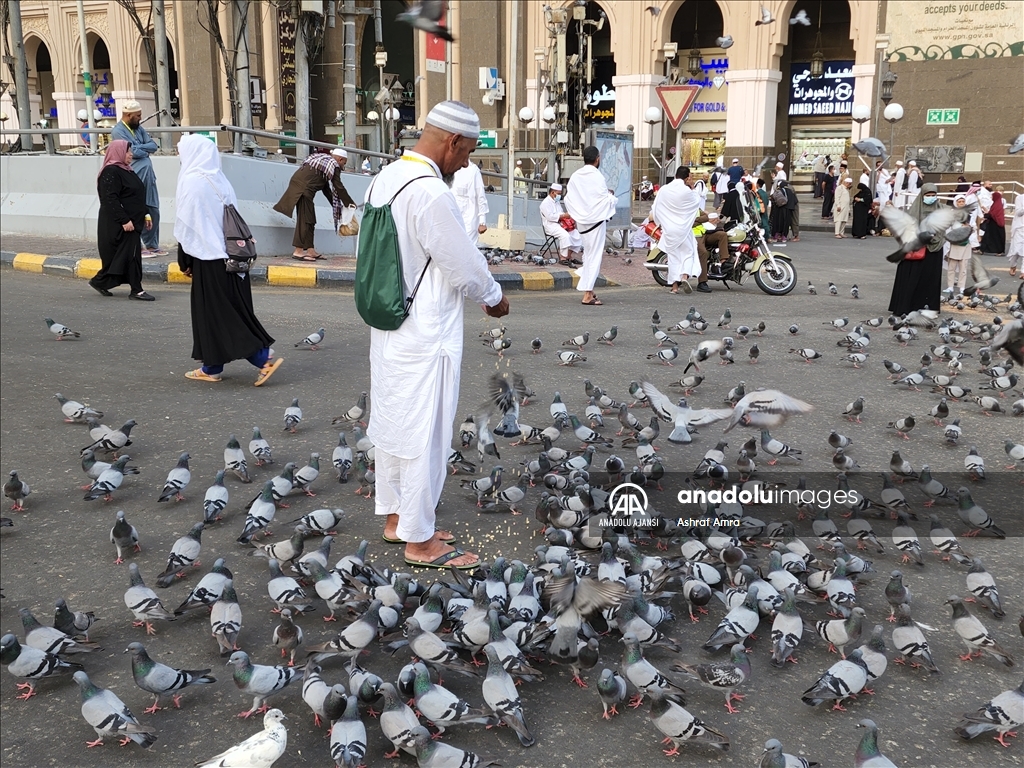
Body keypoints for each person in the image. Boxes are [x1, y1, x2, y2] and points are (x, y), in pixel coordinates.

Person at [364, 101, 508, 570]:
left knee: (392, 422)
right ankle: (420, 541)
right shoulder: (430, 192)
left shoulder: (384, 179)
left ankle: (398, 517)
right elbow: (463, 266)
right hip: (427, 332)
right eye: (466, 152)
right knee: (426, 430)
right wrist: (494, 296)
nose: (465, 162)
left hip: (389, 325)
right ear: (450, 142)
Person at [174, 135, 281, 386]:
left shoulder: (191, 182)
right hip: (234, 258)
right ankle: (211, 367)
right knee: (231, 311)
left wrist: (184, 261)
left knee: (219, 315)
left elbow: (188, 226)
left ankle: (262, 359)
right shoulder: (220, 180)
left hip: (209, 259)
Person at [89, 139, 154, 301]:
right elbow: (110, 199)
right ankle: (136, 290)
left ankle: (100, 281)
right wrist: (124, 220)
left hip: (132, 222)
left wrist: (146, 214)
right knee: (130, 256)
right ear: (118, 152)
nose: (131, 154)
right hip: (120, 225)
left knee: (127, 256)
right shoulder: (110, 172)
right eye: (128, 151)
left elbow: (136, 196)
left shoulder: (127, 170)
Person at [273, 147, 355, 261]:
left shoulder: (324, 164)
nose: (343, 166)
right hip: (303, 190)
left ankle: (310, 250)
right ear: (340, 159)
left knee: (310, 220)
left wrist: (340, 207)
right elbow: (339, 187)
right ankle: (298, 251)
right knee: (305, 220)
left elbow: (326, 189)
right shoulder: (334, 166)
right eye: (344, 163)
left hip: (302, 188)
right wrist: (350, 203)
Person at [563, 145, 617, 306]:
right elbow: (602, 199)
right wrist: (611, 197)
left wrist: (579, 213)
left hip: (582, 223)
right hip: (595, 223)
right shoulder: (597, 176)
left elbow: (568, 199)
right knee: (594, 257)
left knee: (588, 256)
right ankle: (587, 294)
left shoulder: (575, 176)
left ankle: (590, 290)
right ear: (597, 158)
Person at [110, 100, 165, 257]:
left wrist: (139, 148)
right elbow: (132, 152)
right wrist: (141, 149)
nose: (140, 118)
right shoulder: (118, 131)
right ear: (128, 115)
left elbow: (153, 146)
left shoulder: (138, 128)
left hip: (149, 177)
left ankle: (152, 244)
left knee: (153, 209)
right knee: (134, 210)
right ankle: (137, 246)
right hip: (133, 176)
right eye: (138, 116)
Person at [888, 183, 944, 316]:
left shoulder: (940, 208)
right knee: (913, 278)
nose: (931, 198)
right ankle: (908, 306)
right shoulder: (914, 210)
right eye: (927, 195)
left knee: (930, 279)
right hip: (917, 249)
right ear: (922, 195)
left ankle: (927, 306)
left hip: (934, 250)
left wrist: (935, 236)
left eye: (933, 195)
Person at [651, 166, 701, 294]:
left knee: (673, 258)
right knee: (688, 253)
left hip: (669, 229)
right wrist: (693, 189)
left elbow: (656, 206)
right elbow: (696, 202)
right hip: (683, 229)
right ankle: (684, 276)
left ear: (675, 175)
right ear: (687, 177)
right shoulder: (687, 191)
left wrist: (661, 222)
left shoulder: (664, 189)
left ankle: (674, 287)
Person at [540, 183, 583, 264]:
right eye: (559, 193)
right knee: (565, 236)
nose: (560, 195)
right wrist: (563, 215)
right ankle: (562, 258)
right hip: (551, 226)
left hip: (561, 224)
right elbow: (550, 217)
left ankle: (568, 256)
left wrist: (568, 217)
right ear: (552, 193)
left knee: (576, 235)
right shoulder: (545, 203)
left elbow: (560, 212)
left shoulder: (557, 202)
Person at [946, 194, 978, 296]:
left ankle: (961, 287)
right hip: (954, 244)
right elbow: (949, 228)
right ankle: (950, 287)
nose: (961, 204)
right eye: (959, 202)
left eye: (962, 202)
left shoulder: (969, 215)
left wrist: (969, 228)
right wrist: (960, 227)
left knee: (963, 268)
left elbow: (973, 227)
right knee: (951, 267)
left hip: (965, 245)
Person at [450, 160, 488, 246]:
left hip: (469, 219)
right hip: (453, 218)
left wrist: (482, 222)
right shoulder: (450, 169)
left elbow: (480, 196)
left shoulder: (473, 171)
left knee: (466, 248)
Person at [694, 210, 728, 293]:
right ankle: (702, 282)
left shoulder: (695, 207)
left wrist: (696, 220)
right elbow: (687, 223)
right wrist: (698, 220)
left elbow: (706, 217)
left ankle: (724, 262)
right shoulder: (682, 207)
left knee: (722, 235)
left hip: (704, 233)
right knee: (703, 252)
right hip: (694, 235)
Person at [979, 185, 1006, 255]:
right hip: (996, 224)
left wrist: (985, 215)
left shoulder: (996, 205)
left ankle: (983, 249)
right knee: (996, 238)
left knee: (988, 237)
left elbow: (993, 214)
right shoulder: (997, 204)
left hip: (994, 225)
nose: (992, 197)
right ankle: (998, 251)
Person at [1007, 191, 1023, 277]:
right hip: (1019, 228)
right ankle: (1013, 265)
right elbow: (1018, 213)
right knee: (1016, 250)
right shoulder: (1019, 198)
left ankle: (1023, 271)